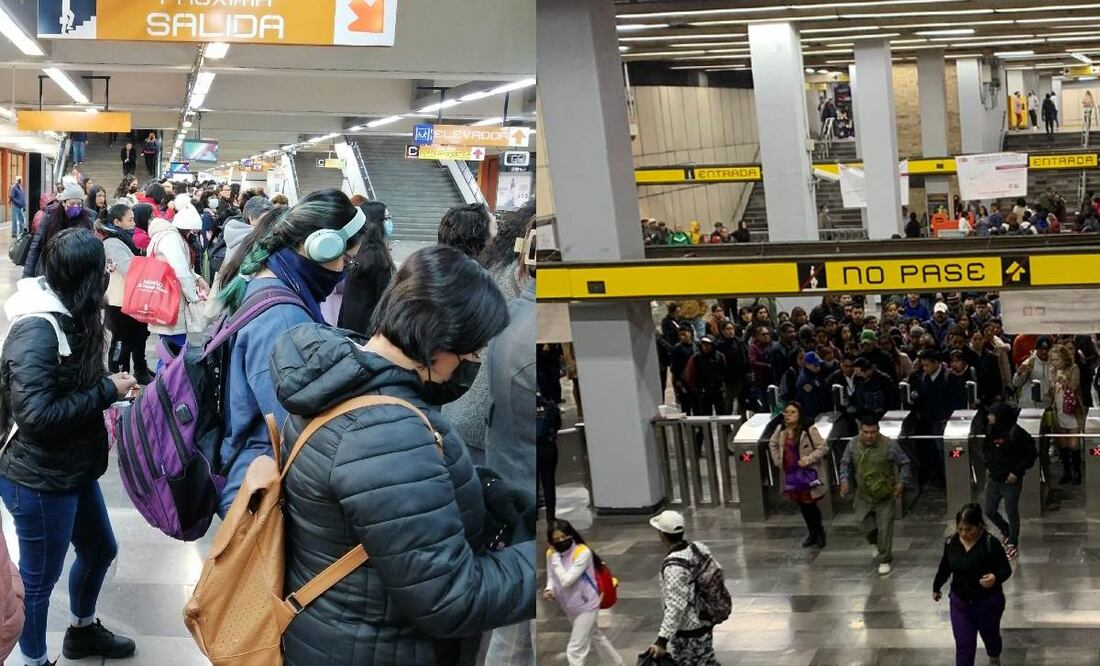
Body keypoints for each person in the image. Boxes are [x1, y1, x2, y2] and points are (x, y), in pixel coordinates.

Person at [270, 245, 534, 664]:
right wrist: (549, 562)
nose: (471, 362)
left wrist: (482, 490)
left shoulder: (337, 383)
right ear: (439, 343)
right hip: (378, 649)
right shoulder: (386, 433)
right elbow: (450, 598)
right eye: (472, 351)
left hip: (331, 632)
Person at [0, 228, 140, 666]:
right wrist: (106, 391)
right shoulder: (37, 331)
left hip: (71, 466)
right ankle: (34, 660)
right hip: (36, 476)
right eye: (102, 268)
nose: (109, 274)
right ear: (86, 277)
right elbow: (36, 417)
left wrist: (107, 388)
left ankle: (81, 631)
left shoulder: (74, 314)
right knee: (39, 581)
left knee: (100, 550)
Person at [214, 189, 366, 515]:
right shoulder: (283, 318)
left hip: (248, 467)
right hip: (261, 486)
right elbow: (293, 423)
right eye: (346, 259)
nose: (345, 269)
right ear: (320, 247)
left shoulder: (260, 280)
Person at [481, 229, 537, 665]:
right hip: (524, 505)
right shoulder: (531, 337)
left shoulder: (511, 316)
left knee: (512, 639)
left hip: (508, 490)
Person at [933, 503, 1012, 666]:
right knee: (964, 645)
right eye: (960, 529)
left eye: (969, 529)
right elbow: (945, 567)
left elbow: (1006, 569)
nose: (964, 534)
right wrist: (936, 586)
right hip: (960, 603)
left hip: (988, 603)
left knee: (990, 636)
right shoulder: (951, 543)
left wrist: (995, 577)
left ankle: (994, 656)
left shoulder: (990, 543)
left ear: (979, 526)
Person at [839, 414, 912, 575]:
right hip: (863, 494)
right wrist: (844, 480)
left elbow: (905, 463)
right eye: (866, 432)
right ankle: (874, 542)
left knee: (885, 529)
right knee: (864, 524)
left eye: (873, 432)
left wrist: (901, 483)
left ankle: (885, 559)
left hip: (884, 494)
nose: (869, 436)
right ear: (860, 431)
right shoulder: (853, 445)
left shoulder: (889, 445)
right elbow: (845, 463)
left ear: (878, 431)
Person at [544, 520, 623, 666]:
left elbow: (567, 580)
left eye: (563, 537)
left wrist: (555, 559)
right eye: (556, 539)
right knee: (595, 635)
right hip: (569, 605)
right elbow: (552, 576)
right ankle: (617, 663)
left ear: (570, 535)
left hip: (587, 605)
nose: (560, 541)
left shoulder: (582, 552)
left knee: (575, 649)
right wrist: (549, 589)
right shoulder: (551, 553)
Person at [647, 510, 720, 665]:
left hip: (689, 630)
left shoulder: (674, 566)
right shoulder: (699, 549)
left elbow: (676, 606)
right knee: (706, 660)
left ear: (662, 535)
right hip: (705, 620)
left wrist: (661, 640)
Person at [96, 203, 153, 385]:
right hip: (119, 300)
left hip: (131, 297)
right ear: (117, 222)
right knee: (122, 341)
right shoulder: (113, 243)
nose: (133, 224)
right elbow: (129, 269)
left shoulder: (123, 240)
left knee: (139, 336)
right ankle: (120, 378)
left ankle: (140, 370)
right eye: (130, 220)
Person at [146, 199, 207, 356]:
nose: (193, 234)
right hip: (171, 301)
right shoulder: (171, 239)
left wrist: (197, 278)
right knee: (173, 354)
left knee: (168, 351)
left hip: (163, 297)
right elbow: (181, 270)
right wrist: (194, 298)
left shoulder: (168, 236)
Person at [769, 401, 829, 549]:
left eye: (792, 412)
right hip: (791, 473)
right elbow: (773, 443)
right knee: (801, 504)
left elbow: (822, 447)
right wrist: (778, 460)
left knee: (810, 504)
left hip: (806, 473)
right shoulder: (781, 429)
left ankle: (819, 532)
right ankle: (811, 533)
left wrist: (808, 459)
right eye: (786, 412)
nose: (788, 415)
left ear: (799, 414)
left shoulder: (808, 429)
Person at [981, 402, 1037, 562]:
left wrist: (1016, 472)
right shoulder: (990, 431)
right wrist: (988, 466)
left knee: (1012, 512)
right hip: (994, 478)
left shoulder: (1015, 432)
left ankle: (1013, 542)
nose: (989, 417)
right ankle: (1006, 530)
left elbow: (1031, 453)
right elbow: (987, 450)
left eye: (992, 414)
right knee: (989, 509)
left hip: (1010, 481)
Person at [337, 202, 394, 334]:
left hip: (348, 323)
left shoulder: (359, 251)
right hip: (366, 328)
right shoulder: (377, 256)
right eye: (386, 218)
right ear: (376, 221)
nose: (390, 222)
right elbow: (384, 298)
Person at [22, 184, 94, 279]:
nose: (76, 207)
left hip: (76, 273)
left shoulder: (87, 219)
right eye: (72, 204)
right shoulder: (50, 216)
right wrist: (27, 275)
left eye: (79, 204)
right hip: (50, 270)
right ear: (63, 203)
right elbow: (36, 246)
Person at [1049, 344, 1085, 485]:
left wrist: (1064, 381)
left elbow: (1075, 386)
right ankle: (1067, 472)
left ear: (1064, 359)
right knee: (1063, 445)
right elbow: (1050, 391)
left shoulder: (1073, 368)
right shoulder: (1052, 371)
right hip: (1059, 411)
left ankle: (1077, 472)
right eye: (1052, 359)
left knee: (1073, 445)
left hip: (1073, 411)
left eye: (1057, 359)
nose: (1054, 362)